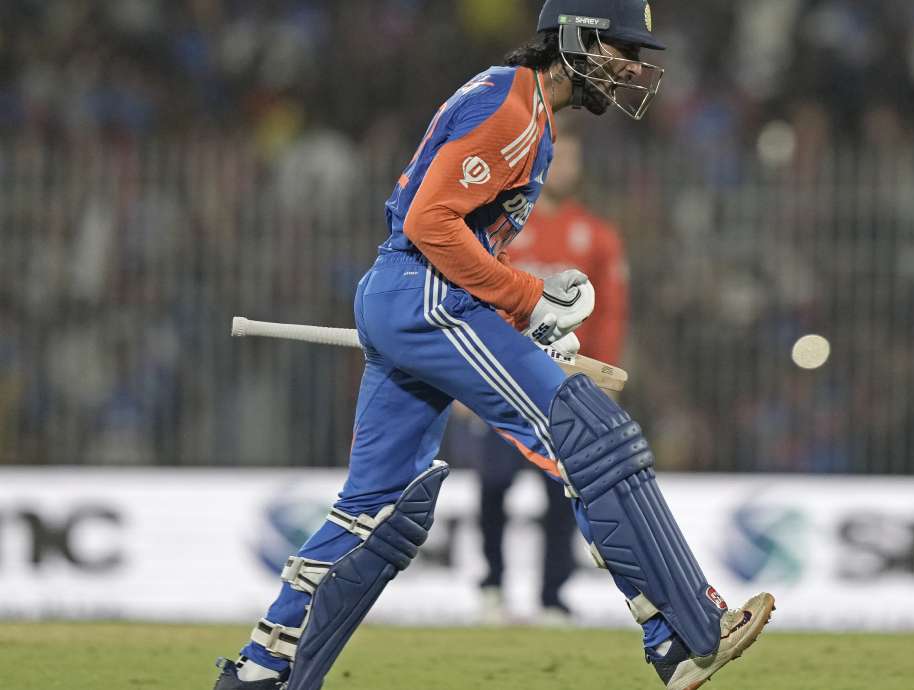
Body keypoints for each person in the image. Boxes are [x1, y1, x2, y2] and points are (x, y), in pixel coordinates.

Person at [212, 3, 774, 689]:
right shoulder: (513, 112)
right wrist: (529, 298)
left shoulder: (521, 105)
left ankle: (262, 673)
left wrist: (527, 323)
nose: (633, 68)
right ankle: (684, 633)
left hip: (412, 296)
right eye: (623, 49)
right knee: (590, 434)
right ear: (575, 37)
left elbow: (462, 239)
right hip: (426, 296)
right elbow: (430, 224)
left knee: (381, 510)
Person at [468, 127, 629, 623]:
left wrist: (602, 379)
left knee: (563, 492)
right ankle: (492, 585)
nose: (563, 169)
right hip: (504, 378)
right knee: (493, 484)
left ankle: (552, 596)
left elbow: (610, 314)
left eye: (571, 160)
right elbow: (478, 300)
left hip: (564, 386)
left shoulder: (597, 235)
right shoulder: (503, 229)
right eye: (557, 159)